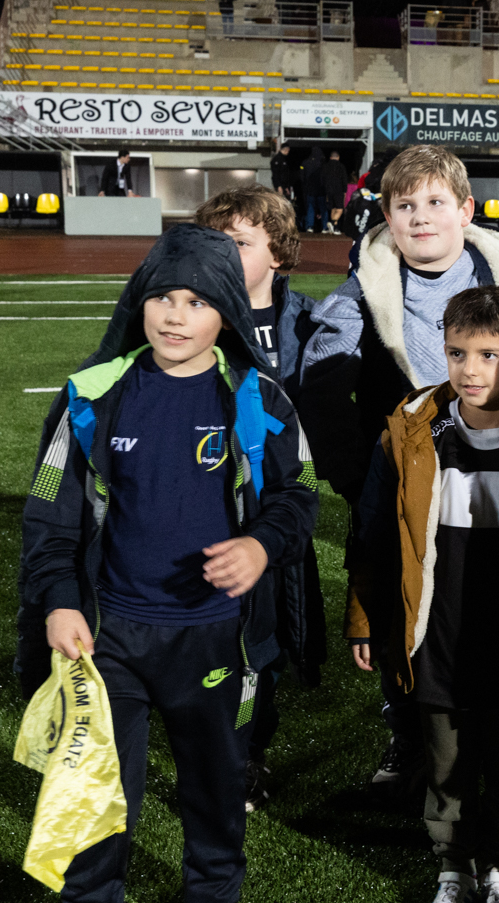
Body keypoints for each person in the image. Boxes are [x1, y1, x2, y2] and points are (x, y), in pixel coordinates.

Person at [18, 223, 318, 902]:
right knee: (96, 797)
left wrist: (260, 545)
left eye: (198, 301)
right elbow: (47, 507)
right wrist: (61, 597)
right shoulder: (89, 396)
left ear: (228, 314)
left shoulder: (258, 400)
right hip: (106, 638)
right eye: (163, 296)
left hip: (215, 635)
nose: (176, 315)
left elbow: (300, 491)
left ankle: (212, 889)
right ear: (139, 301)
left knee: (213, 794)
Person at [298, 144, 499, 787]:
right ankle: (408, 737)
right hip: (405, 479)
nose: (421, 217)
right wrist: (357, 475)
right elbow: (320, 387)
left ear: (465, 211)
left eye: (435, 203)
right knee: (404, 603)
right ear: (385, 216)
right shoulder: (361, 292)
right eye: (405, 206)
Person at [347, 286, 499, 903]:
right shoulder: (414, 427)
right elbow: (376, 529)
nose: (470, 369)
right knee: (446, 755)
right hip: (438, 626)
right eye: (457, 352)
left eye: (490, 354)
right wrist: (366, 617)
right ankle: (451, 861)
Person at [193, 185, 326, 811]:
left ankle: (250, 752)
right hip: (210, 502)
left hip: (282, 507)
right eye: (215, 242)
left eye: (240, 243)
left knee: (268, 638)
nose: (225, 254)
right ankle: (215, 743)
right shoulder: (195, 314)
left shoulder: (309, 321)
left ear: (278, 253)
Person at [321, 150, 349, 235]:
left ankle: (335, 228)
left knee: (332, 208)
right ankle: (333, 223)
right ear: (338, 157)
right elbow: (344, 179)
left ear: (330, 157)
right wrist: (344, 190)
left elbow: (322, 179)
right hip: (338, 190)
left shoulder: (325, 166)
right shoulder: (341, 167)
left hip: (328, 191)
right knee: (340, 209)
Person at [301, 147, 326, 234]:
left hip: (310, 190)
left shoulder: (305, 163)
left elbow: (302, 177)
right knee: (323, 208)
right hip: (321, 190)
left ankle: (310, 226)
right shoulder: (322, 164)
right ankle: (324, 227)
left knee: (310, 208)